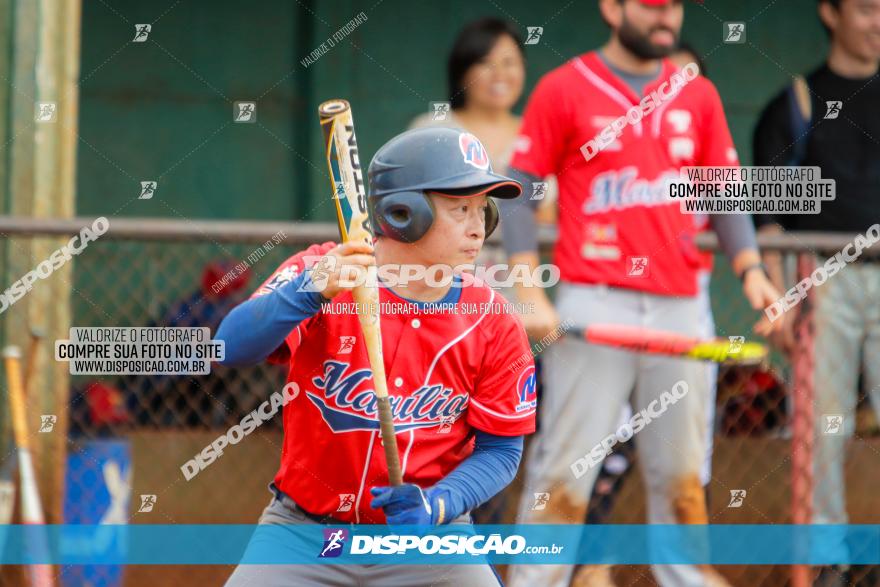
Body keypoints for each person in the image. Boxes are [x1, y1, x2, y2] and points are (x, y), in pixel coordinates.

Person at [498, 1, 782, 586]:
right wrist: (528, 283)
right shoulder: (564, 86)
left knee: (680, 476)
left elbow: (723, 191)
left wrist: (752, 271)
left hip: (680, 307)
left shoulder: (696, 94)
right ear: (612, 7)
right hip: (592, 299)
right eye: (651, 6)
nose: (666, 17)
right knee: (565, 469)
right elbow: (518, 189)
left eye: (673, 6)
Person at [217, 127, 536, 586]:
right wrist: (309, 293)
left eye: (482, 209)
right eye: (459, 207)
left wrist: (438, 504)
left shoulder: (493, 320)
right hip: (306, 533)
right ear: (405, 213)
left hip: (431, 539)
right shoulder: (322, 271)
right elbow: (230, 347)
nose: (477, 226)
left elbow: (502, 451)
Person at [752, 0, 880, 583]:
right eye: (866, 8)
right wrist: (780, 297)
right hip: (823, 274)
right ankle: (827, 558)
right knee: (823, 423)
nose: (878, 20)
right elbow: (769, 220)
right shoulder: (798, 102)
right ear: (831, 13)